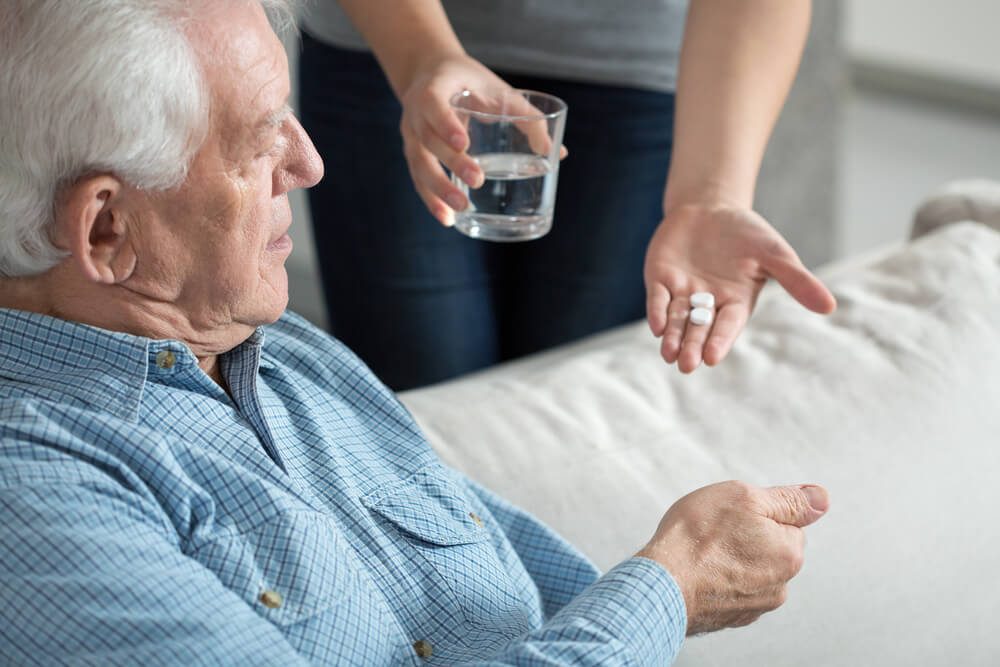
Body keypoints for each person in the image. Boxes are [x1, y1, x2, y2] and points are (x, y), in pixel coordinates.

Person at [0, 1, 830, 664]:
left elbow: (556, 595)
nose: (309, 165)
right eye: (257, 142)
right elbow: (639, 600)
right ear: (107, 230)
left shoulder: (290, 358)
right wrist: (668, 588)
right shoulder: (37, 495)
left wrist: (670, 582)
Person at [298, 0, 838, 390]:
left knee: (567, 395)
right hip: (386, 39)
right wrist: (423, 57)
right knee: (419, 389)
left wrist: (713, 195)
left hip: (633, 67)